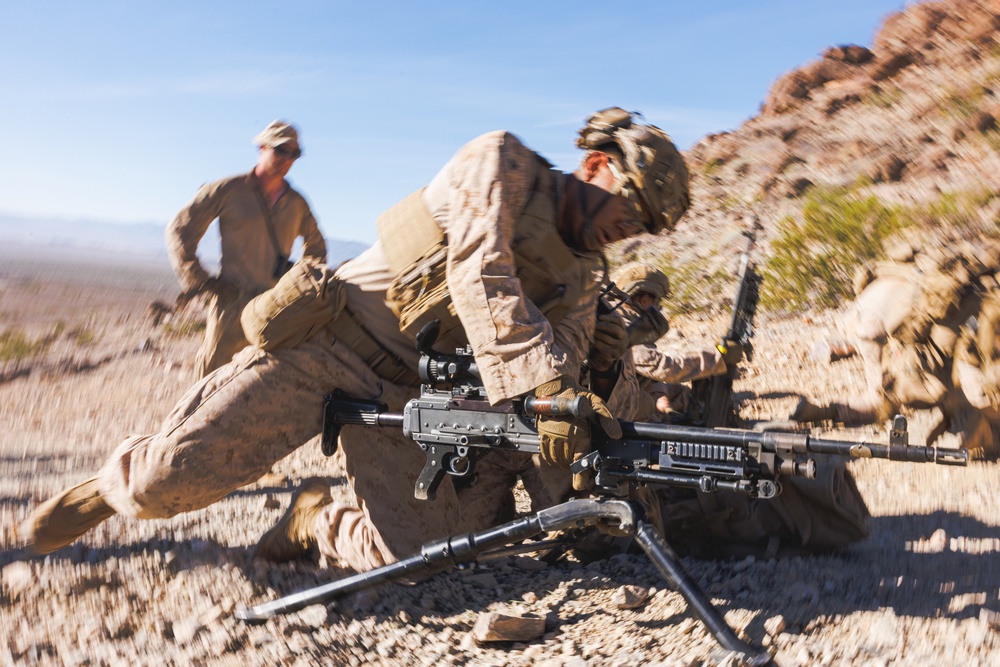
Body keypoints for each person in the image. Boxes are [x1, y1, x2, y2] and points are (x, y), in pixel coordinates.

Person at [18, 107, 690, 572]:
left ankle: (312, 518)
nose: (625, 229)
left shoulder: (579, 277)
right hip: (328, 344)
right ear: (597, 165)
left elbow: (562, 357)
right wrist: (543, 384)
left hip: (405, 391)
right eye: (627, 208)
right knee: (164, 484)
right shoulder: (503, 161)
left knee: (421, 557)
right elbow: (480, 269)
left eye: (643, 226)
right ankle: (105, 490)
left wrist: (564, 413)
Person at [789, 235, 1000, 460]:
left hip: (882, 318)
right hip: (888, 327)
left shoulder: (952, 296)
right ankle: (983, 433)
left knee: (895, 396)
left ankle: (825, 411)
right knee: (893, 396)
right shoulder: (974, 303)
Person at [167, 119, 328, 378]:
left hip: (274, 307)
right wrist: (200, 279)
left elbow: (317, 250)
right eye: (280, 150)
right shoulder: (228, 190)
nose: (287, 158)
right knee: (212, 379)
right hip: (232, 303)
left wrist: (299, 289)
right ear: (262, 148)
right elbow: (179, 230)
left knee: (263, 381)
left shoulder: (297, 203)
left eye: (294, 153)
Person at [608, 262, 734, 421]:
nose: (659, 307)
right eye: (658, 302)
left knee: (681, 394)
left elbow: (644, 368)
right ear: (645, 300)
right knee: (653, 411)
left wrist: (658, 391)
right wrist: (717, 358)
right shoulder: (620, 324)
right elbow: (661, 366)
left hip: (619, 393)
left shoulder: (619, 314)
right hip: (614, 409)